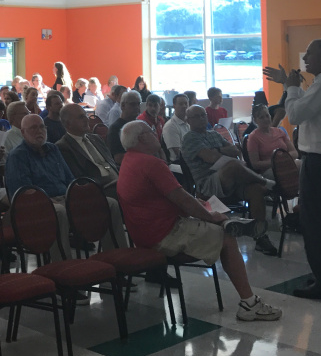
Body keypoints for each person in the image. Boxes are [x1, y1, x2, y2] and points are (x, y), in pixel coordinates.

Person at [116, 120, 282, 322]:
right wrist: (209, 215)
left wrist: (197, 205)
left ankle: (227, 221)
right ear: (142, 138)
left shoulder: (128, 161)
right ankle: (249, 303)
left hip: (145, 233)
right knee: (227, 238)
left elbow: (168, 197)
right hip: (164, 234)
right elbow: (182, 200)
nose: (154, 134)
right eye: (151, 132)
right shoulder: (151, 163)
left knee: (208, 214)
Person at [264, 39, 321, 299]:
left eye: (310, 54)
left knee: (313, 222)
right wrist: (288, 84)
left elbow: (296, 115)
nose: (305, 60)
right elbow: (310, 107)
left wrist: (291, 88)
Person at [6, 114, 125, 263]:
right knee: (59, 212)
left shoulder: (53, 149)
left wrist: (80, 196)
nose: (39, 131)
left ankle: (117, 260)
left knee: (109, 203)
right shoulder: (17, 156)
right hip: (38, 205)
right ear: (23, 132)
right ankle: (63, 265)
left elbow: (70, 179)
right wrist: (49, 201)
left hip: (66, 198)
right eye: (33, 128)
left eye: (42, 126)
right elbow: (22, 192)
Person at [181, 105, 278, 256]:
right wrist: (221, 152)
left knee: (256, 190)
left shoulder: (214, 134)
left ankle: (260, 237)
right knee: (233, 165)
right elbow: (211, 158)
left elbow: (236, 150)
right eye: (196, 116)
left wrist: (218, 151)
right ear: (188, 120)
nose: (201, 119)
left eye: (203, 115)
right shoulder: (189, 138)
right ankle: (267, 183)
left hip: (230, 179)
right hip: (207, 184)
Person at [57, 103, 118, 190]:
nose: (86, 119)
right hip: (99, 188)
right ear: (68, 124)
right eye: (81, 117)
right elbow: (79, 178)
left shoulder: (96, 139)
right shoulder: (64, 147)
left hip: (117, 180)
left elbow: (112, 162)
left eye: (85, 115)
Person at [245, 105, 299, 175]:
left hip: (286, 163)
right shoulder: (253, 137)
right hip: (269, 169)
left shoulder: (279, 131)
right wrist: (275, 162)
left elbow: (294, 152)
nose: (266, 119)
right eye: (261, 117)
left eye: (267, 116)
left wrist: (284, 160)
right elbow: (255, 164)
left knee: (304, 167)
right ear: (255, 120)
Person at [107, 91, 142, 166]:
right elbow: (119, 158)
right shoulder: (115, 129)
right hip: (129, 168)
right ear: (123, 106)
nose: (137, 107)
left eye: (138, 104)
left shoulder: (141, 125)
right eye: (133, 104)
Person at [162, 93, 190, 160]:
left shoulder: (190, 122)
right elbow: (178, 153)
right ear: (174, 106)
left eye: (186, 104)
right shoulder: (170, 126)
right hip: (179, 164)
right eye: (181, 104)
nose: (184, 106)